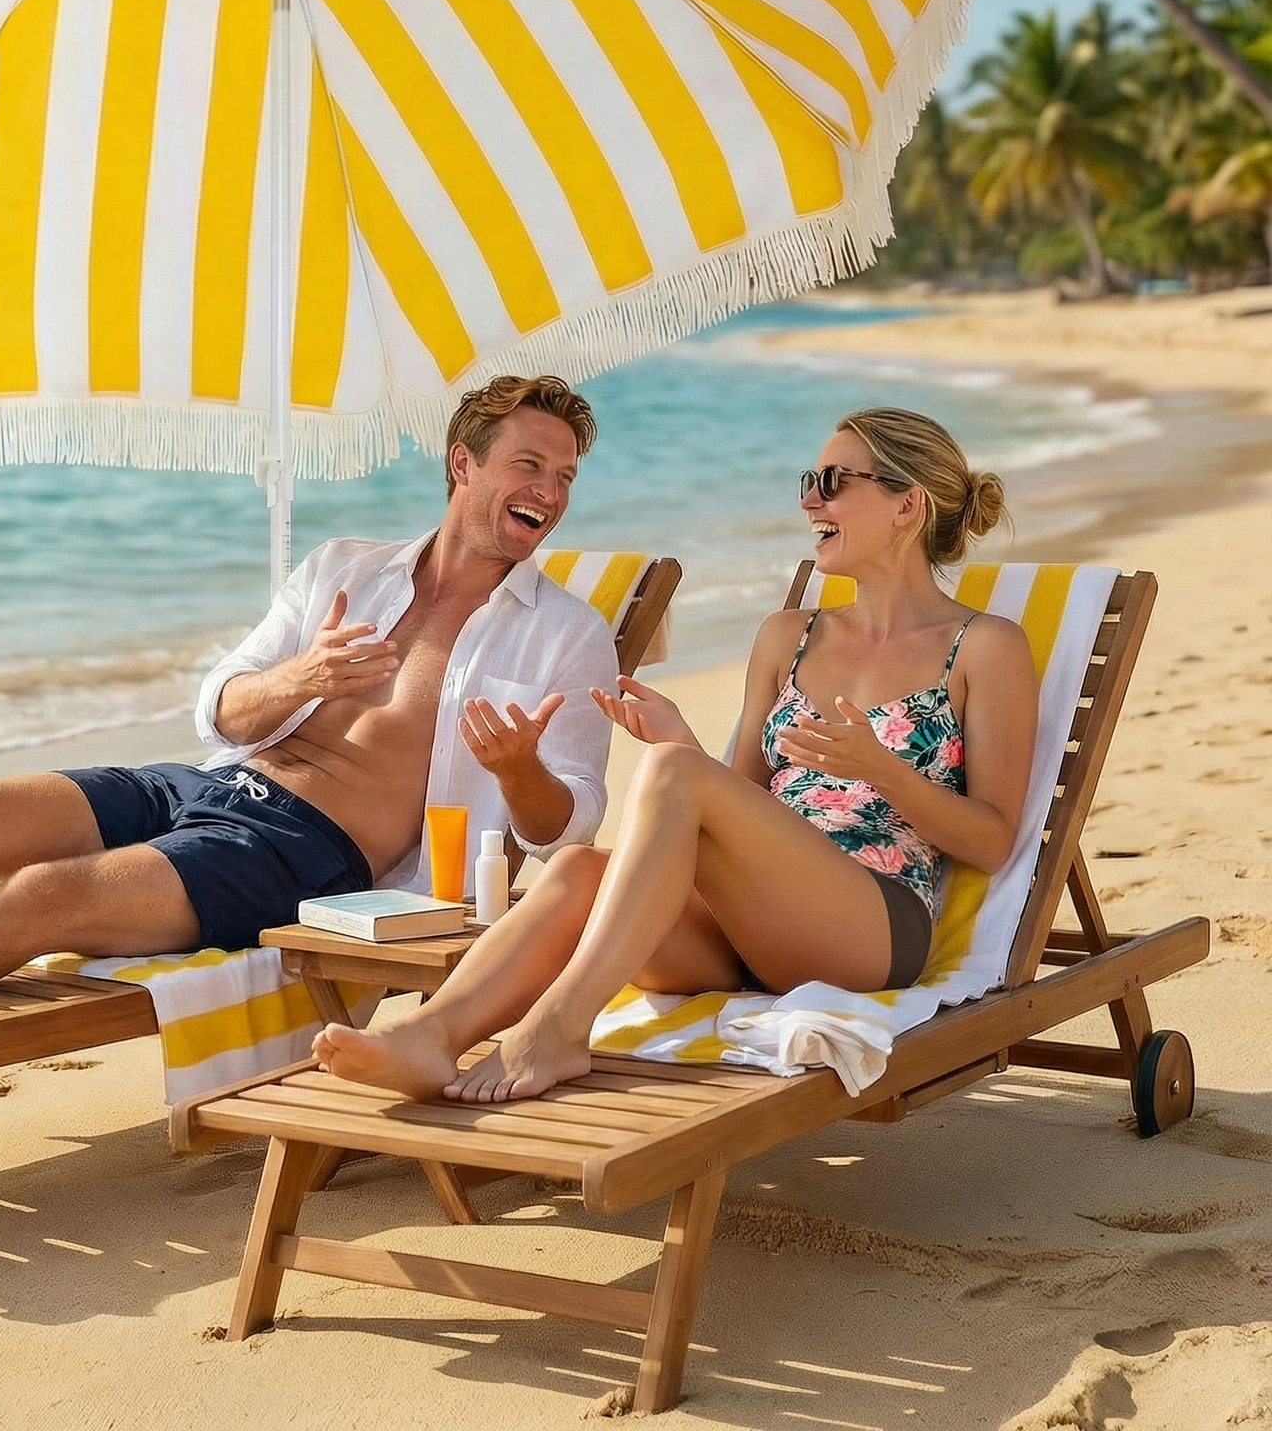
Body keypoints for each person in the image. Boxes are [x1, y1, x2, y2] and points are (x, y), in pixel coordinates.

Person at [0, 375, 623, 1030]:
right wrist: (303, 679)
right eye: (528, 464)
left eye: (564, 475)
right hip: (209, 784)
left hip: (306, 855)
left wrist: (515, 772)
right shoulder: (343, 568)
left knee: (47, 895)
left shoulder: (566, 634)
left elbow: (568, 825)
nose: (549, 490)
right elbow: (218, 707)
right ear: (462, 464)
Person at [313, 406, 1039, 1105]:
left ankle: (560, 1025)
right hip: (748, 928)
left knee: (671, 778)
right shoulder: (787, 636)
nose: (809, 501)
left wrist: (881, 770)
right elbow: (737, 801)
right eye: (807, 482)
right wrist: (680, 743)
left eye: (831, 482)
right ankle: (430, 1034)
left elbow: (992, 839)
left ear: (907, 505)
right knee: (575, 869)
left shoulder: (984, 647)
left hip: (869, 929)